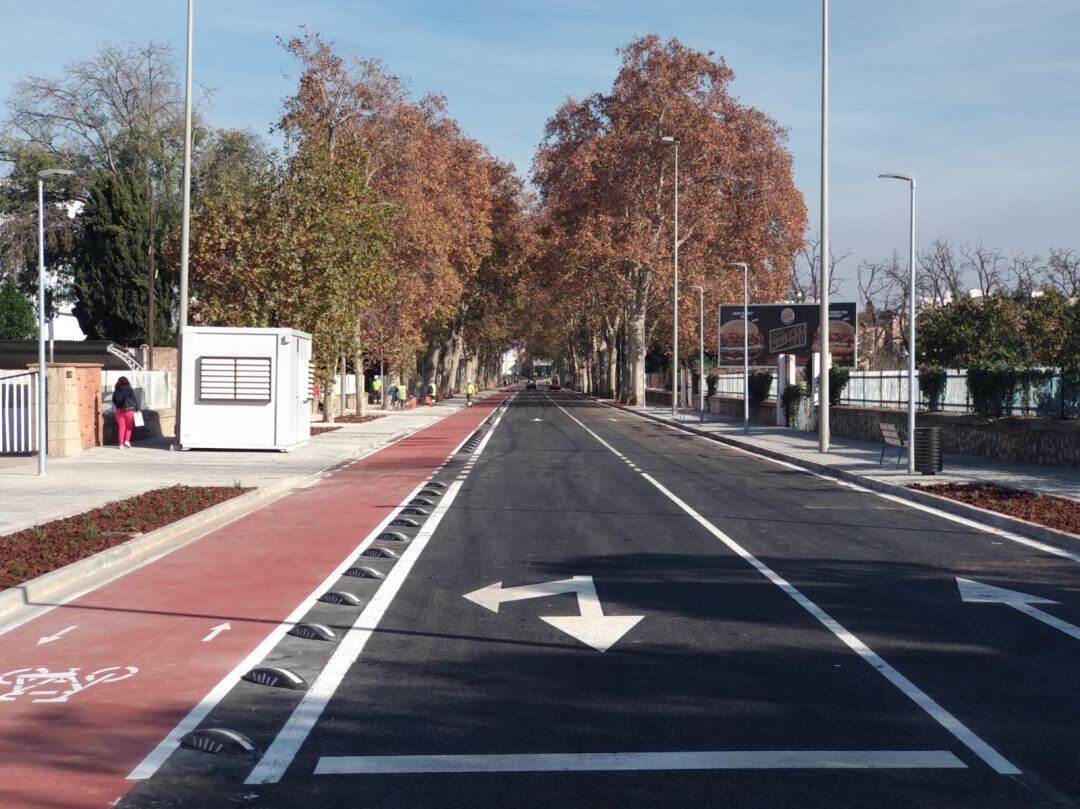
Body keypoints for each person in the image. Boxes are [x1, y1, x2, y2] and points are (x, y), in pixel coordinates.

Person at [112, 376, 139, 449]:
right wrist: (137, 409)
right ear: (127, 382)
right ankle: (127, 440)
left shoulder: (116, 391)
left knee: (121, 428)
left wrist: (118, 406)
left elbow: (114, 400)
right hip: (129, 411)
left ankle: (121, 444)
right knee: (129, 427)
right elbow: (134, 400)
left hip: (119, 411)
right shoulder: (130, 390)